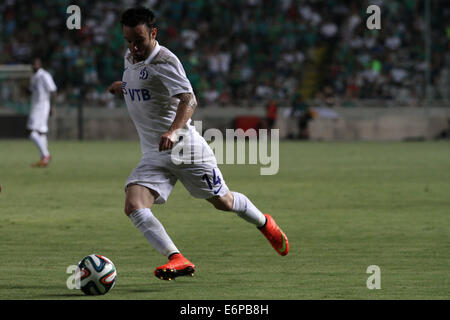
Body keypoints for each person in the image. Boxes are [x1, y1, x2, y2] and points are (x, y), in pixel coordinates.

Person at [108, 7, 289, 281]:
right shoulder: (131, 57)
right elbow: (147, 87)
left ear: (153, 34)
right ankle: (177, 258)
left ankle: (266, 224)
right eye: (129, 41)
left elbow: (189, 100)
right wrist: (123, 86)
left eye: (139, 40)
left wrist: (172, 131)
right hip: (155, 154)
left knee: (224, 202)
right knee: (133, 205)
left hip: (185, 149)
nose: (134, 47)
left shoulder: (165, 61)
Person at [27, 57, 57, 167]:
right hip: (36, 106)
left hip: (42, 106)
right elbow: (31, 91)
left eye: (36, 64)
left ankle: (45, 155)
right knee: (41, 132)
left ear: (40, 65)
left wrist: (51, 107)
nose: (34, 66)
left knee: (31, 132)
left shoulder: (44, 75)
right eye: (33, 64)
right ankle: (44, 159)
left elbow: (53, 90)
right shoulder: (33, 77)